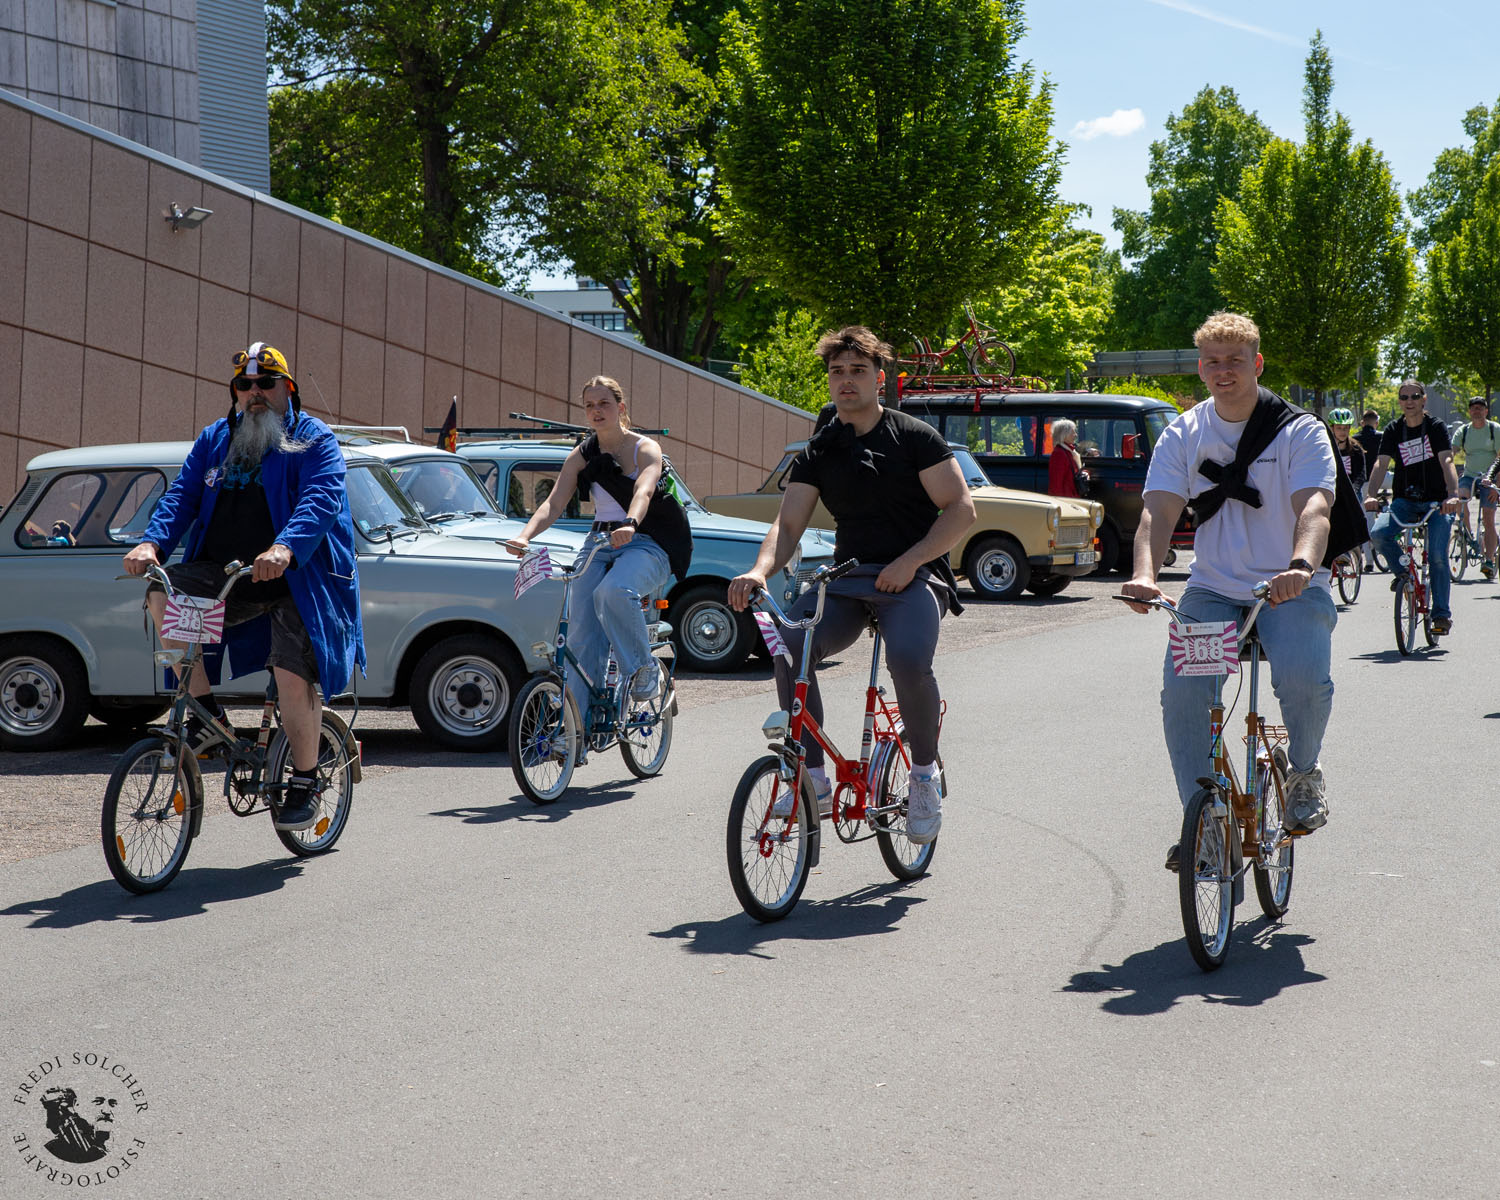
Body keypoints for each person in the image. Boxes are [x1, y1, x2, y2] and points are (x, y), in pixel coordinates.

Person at [726, 326, 976, 844]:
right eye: (837, 371)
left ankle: (923, 776)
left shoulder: (913, 437)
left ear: (879, 379)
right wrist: (759, 570)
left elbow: (960, 510)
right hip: (848, 579)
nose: (846, 380)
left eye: (858, 370)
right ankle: (813, 780)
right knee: (789, 646)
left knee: (907, 660)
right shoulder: (821, 449)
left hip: (914, 576)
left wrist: (910, 561)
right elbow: (787, 525)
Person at [1122, 312, 1338, 867]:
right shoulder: (1184, 432)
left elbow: (1315, 509)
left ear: (1256, 364)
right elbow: (1157, 513)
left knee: (1303, 677)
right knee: (1184, 695)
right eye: (1213, 362)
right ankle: (1205, 824)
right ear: (1201, 369)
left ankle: (1304, 774)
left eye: (1235, 361)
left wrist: (1300, 565)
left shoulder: (1299, 430)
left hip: (1288, 586)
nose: (1224, 371)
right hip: (1214, 588)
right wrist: (1145, 574)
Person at [123, 343, 366, 831]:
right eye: (244, 385)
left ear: (287, 389)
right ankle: (206, 717)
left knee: (292, 675)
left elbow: (321, 498)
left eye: (266, 383)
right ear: (235, 392)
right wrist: (152, 543)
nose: (255, 392)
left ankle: (304, 780)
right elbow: (181, 496)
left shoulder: (313, 438)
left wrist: (285, 548)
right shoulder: (215, 438)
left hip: (298, 580)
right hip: (231, 576)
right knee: (161, 591)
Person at [504, 377, 691, 744]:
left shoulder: (644, 448)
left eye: (604, 403)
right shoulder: (582, 455)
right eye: (589, 405)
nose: (596, 411)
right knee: (580, 635)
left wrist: (630, 522)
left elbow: (644, 490)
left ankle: (644, 669)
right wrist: (524, 536)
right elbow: (554, 503)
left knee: (614, 591)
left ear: (620, 408)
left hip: (648, 540)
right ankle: (576, 731)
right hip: (599, 541)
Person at [1364, 379, 1462, 635]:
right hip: (1405, 501)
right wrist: (1371, 495)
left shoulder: (1435, 427)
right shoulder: (1393, 429)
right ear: (1400, 401)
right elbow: (1381, 464)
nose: (1409, 401)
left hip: (1437, 503)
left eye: (1415, 396)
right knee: (1378, 533)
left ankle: (1441, 615)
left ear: (1423, 399)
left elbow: (1447, 460)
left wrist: (1452, 495)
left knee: (1437, 556)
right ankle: (1404, 575)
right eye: (1404, 397)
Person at [1452, 396, 1500, 578]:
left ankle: (1489, 560)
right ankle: (1471, 537)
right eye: (1473, 408)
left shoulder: (1494, 430)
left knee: (1488, 518)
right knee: (1459, 499)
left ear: (1486, 411)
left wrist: (1496, 486)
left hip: (1490, 478)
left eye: (1480, 408)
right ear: (1469, 411)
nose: (1476, 411)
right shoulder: (1464, 431)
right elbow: (1451, 453)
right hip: (1469, 475)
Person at [1047, 418, 1088, 498]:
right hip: (1066, 499)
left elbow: (1073, 473)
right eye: (1073, 432)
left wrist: (1085, 473)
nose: (1076, 435)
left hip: (1072, 497)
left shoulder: (1070, 451)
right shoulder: (1059, 454)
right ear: (1064, 435)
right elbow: (1056, 485)